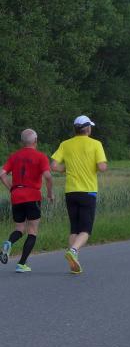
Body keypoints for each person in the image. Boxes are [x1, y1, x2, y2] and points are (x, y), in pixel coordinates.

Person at [51, 115, 108, 274]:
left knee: (74, 229)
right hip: (88, 191)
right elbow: (102, 167)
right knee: (86, 230)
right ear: (88, 128)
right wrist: (100, 166)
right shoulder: (96, 144)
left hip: (70, 191)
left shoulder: (65, 144)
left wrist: (66, 169)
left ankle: (73, 262)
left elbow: (53, 165)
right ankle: (73, 251)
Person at [0, 129, 53, 273]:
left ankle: (9, 243)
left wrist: (12, 188)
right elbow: (48, 177)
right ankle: (21, 264)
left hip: (16, 195)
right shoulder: (41, 156)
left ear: (22, 142)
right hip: (32, 195)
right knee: (32, 231)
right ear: (35, 141)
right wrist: (50, 193)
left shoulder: (14, 156)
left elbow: (2, 174)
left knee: (19, 229)